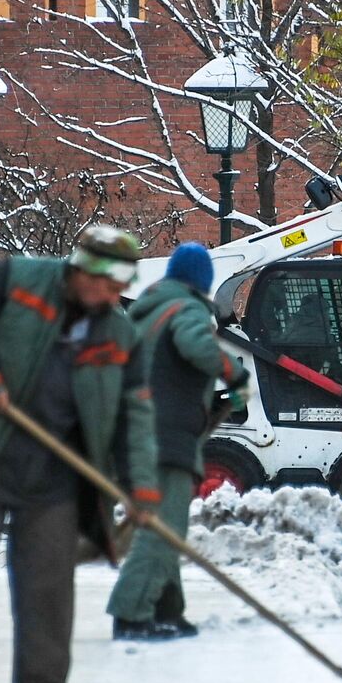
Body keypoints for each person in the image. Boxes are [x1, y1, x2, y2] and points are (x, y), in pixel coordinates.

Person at [0, 226, 159, 683]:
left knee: (48, 586)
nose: (112, 296)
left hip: (56, 476)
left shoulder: (119, 334)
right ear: (80, 271)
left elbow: (134, 415)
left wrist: (141, 488)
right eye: (105, 284)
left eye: (120, 287)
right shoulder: (16, 281)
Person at [106, 242, 249, 641]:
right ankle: (131, 614)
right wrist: (233, 376)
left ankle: (169, 610)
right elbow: (196, 346)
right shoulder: (187, 310)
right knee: (163, 527)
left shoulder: (147, 312)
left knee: (166, 524)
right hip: (164, 436)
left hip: (137, 433)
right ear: (201, 281)